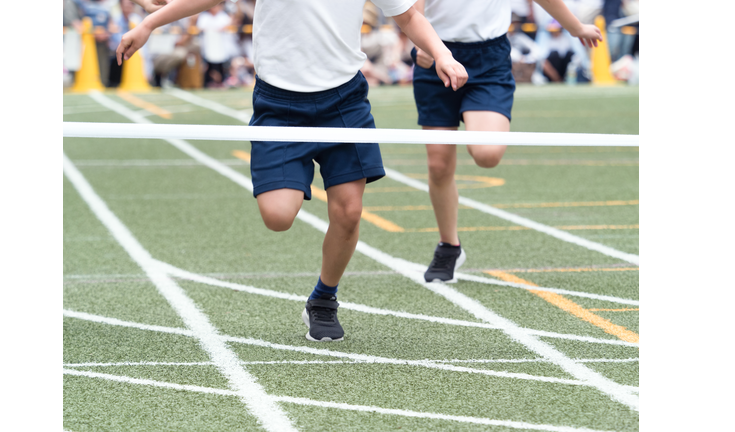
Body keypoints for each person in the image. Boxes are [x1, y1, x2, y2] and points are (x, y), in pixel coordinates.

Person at [118, 0, 467, 341]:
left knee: (349, 211)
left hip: (344, 101)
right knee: (277, 216)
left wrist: (442, 54)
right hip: (278, 102)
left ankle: (324, 299)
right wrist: (149, 24)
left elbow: (407, 16)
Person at [410, 0, 601, 283]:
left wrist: (575, 27)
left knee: (487, 154)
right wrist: (421, 46)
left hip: (488, 58)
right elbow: (410, 8)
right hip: (436, 55)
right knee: (438, 165)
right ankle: (449, 246)